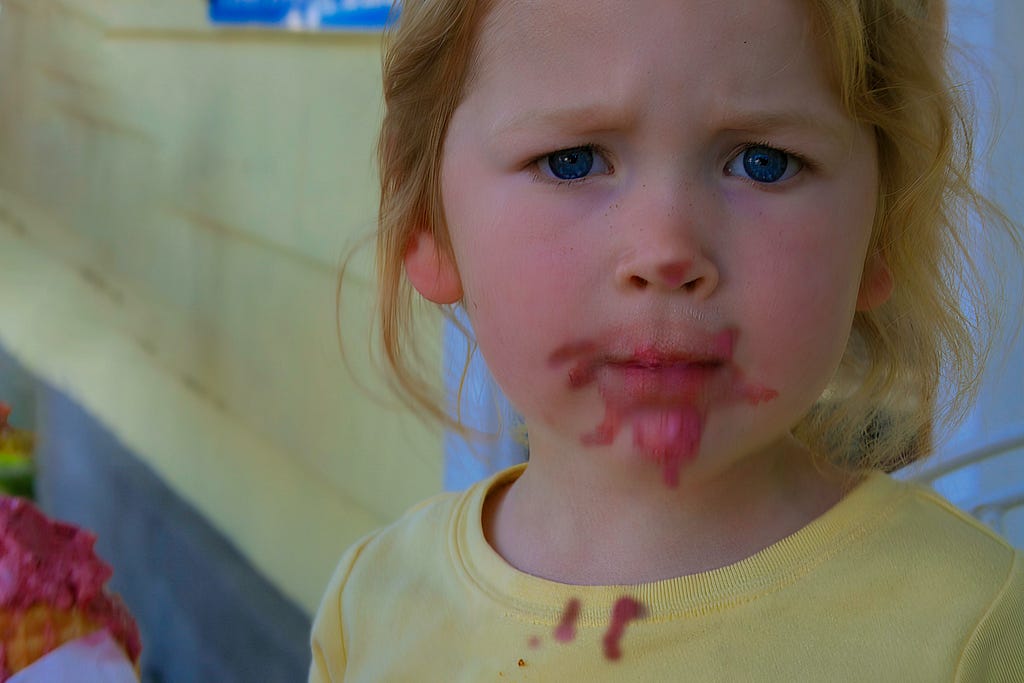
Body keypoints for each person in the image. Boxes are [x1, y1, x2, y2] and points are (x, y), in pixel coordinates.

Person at [310, 0, 1024, 679]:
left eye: (762, 161)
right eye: (574, 160)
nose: (667, 251)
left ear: (877, 233)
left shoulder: (978, 629)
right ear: (426, 223)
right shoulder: (371, 608)